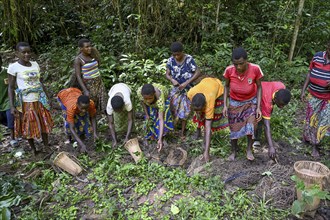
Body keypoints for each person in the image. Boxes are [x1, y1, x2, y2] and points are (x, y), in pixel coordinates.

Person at [8, 42, 53, 155]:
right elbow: (11, 87)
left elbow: (40, 82)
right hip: (25, 102)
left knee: (43, 122)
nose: (27, 54)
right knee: (28, 124)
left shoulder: (35, 64)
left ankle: (46, 146)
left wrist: (47, 97)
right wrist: (12, 106)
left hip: (39, 99)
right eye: (23, 52)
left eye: (28, 52)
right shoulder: (13, 67)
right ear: (17, 53)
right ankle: (33, 148)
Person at [223, 47, 263, 161]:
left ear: (246, 61)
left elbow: (259, 87)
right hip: (234, 103)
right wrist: (225, 105)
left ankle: (249, 150)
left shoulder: (255, 69)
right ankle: (234, 151)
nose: (238, 67)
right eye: (235, 64)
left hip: (251, 102)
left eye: (241, 64)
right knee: (234, 128)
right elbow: (226, 86)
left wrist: (258, 107)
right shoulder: (229, 70)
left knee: (251, 125)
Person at [187, 77, 229, 162]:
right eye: (196, 109)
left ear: (205, 105)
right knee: (199, 115)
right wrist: (198, 113)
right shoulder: (190, 93)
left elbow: (208, 127)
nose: (198, 112)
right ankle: (198, 132)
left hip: (217, 85)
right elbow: (195, 107)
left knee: (210, 121)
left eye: (200, 109)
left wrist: (207, 152)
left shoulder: (210, 101)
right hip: (205, 81)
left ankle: (206, 145)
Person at [165, 42, 201, 138]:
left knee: (185, 109)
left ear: (182, 52)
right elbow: (167, 74)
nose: (176, 57)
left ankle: (182, 132)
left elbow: (197, 72)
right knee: (172, 106)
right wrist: (172, 80)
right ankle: (173, 128)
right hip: (176, 88)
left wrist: (186, 83)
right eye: (174, 54)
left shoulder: (189, 59)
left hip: (188, 89)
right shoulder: (170, 60)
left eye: (178, 54)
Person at [301, 42, 330, 157]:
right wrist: (303, 90)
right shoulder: (317, 56)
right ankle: (307, 139)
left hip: (327, 99)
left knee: (323, 122)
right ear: (327, 48)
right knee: (311, 120)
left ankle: (315, 146)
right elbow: (309, 72)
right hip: (313, 96)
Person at [253, 82, 291, 159]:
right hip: (253, 93)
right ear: (275, 99)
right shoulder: (267, 103)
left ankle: (258, 137)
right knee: (258, 117)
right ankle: (254, 138)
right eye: (281, 104)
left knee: (263, 116)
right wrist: (271, 147)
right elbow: (267, 126)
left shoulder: (281, 86)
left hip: (263, 91)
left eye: (284, 105)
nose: (282, 107)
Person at [57, 87, 98, 153]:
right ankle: (69, 138)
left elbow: (93, 117)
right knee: (69, 123)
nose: (84, 110)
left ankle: (83, 135)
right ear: (77, 104)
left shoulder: (91, 104)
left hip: (75, 91)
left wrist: (95, 133)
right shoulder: (71, 108)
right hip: (63, 96)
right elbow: (71, 127)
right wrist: (82, 145)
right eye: (82, 108)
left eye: (86, 108)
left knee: (83, 118)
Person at [138, 83, 174, 152]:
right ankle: (152, 135)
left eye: (150, 98)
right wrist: (147, 114)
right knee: (150, 118)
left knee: (162, 119)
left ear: (154, 94)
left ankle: (162, 137)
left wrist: (160, 139)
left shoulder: (160, 99)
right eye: (146, 98)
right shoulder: (140, 93)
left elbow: (161, 119)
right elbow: (143, 103)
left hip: (163, 102)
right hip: (152, 103)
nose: (148, 100)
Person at [74, 38, 107, 113]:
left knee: (102, 100)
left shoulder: (93, 55)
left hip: (98, 81)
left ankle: (102, 115)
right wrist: (85, 89)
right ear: (81, 48)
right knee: (91, 102)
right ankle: (92, 117)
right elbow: (78, 76)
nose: (89, 48)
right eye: (87, 47)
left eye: (90, 46)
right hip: (89, 83)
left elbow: (98, 64)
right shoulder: (78, 59)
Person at [106, 83, 134, 147]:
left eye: (120, 110)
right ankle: (119, 133)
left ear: (123, 105)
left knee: (130, 115)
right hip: (113, 88)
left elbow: (130, 120)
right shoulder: (109, 106)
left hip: (126, 88)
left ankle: (129, 133)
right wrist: (114, 140)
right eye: (116, 111)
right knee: (117, 119)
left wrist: (127, 137)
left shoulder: (127, 102)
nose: (119, 112)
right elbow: (111, 123)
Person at [0, 55, 18, 147]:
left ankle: (13, 138)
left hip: (7, 100)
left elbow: (13, 85)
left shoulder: (7, 72)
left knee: (10, 117)